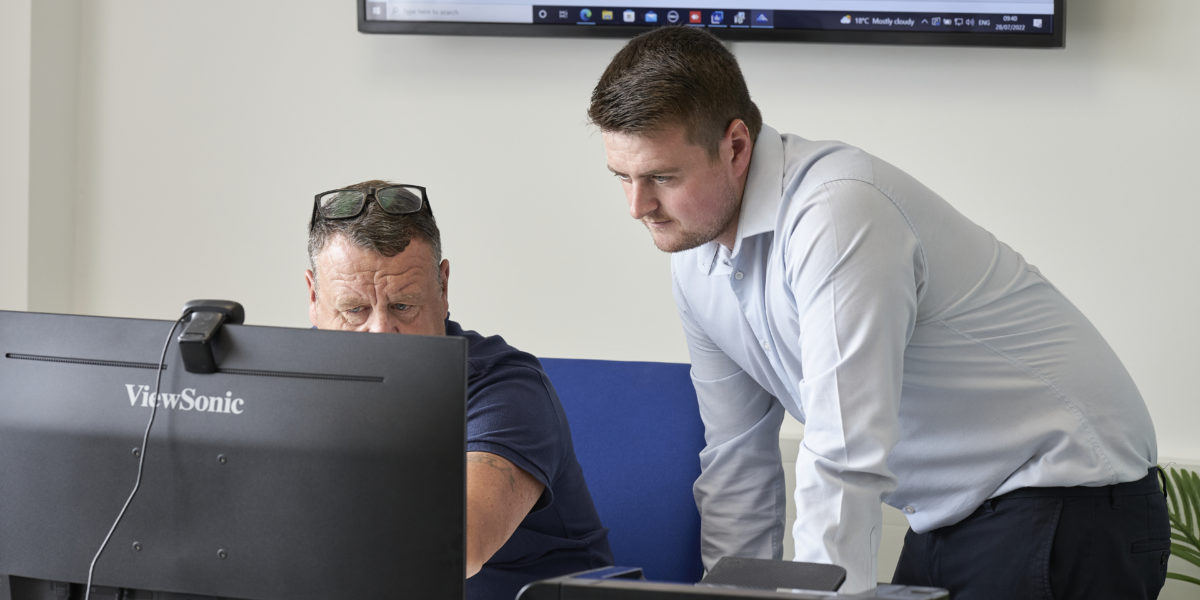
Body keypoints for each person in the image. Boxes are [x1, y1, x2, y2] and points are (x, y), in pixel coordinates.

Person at [587, 26, 1169, 599]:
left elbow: (844, 447)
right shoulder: (695, 255)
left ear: (736, 147)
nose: (639, 207)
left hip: (1067, 499)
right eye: (622, 179)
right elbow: (736, 455)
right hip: (952, 513)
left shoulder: (838, 213)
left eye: (662, 177)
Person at [305, 179, 613, 600]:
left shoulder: (508, 391)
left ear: (443, 287)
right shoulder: (285, 383)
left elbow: (454, 550)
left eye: (403, 306)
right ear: (313, 297)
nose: (381, 334)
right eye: (354, 310)